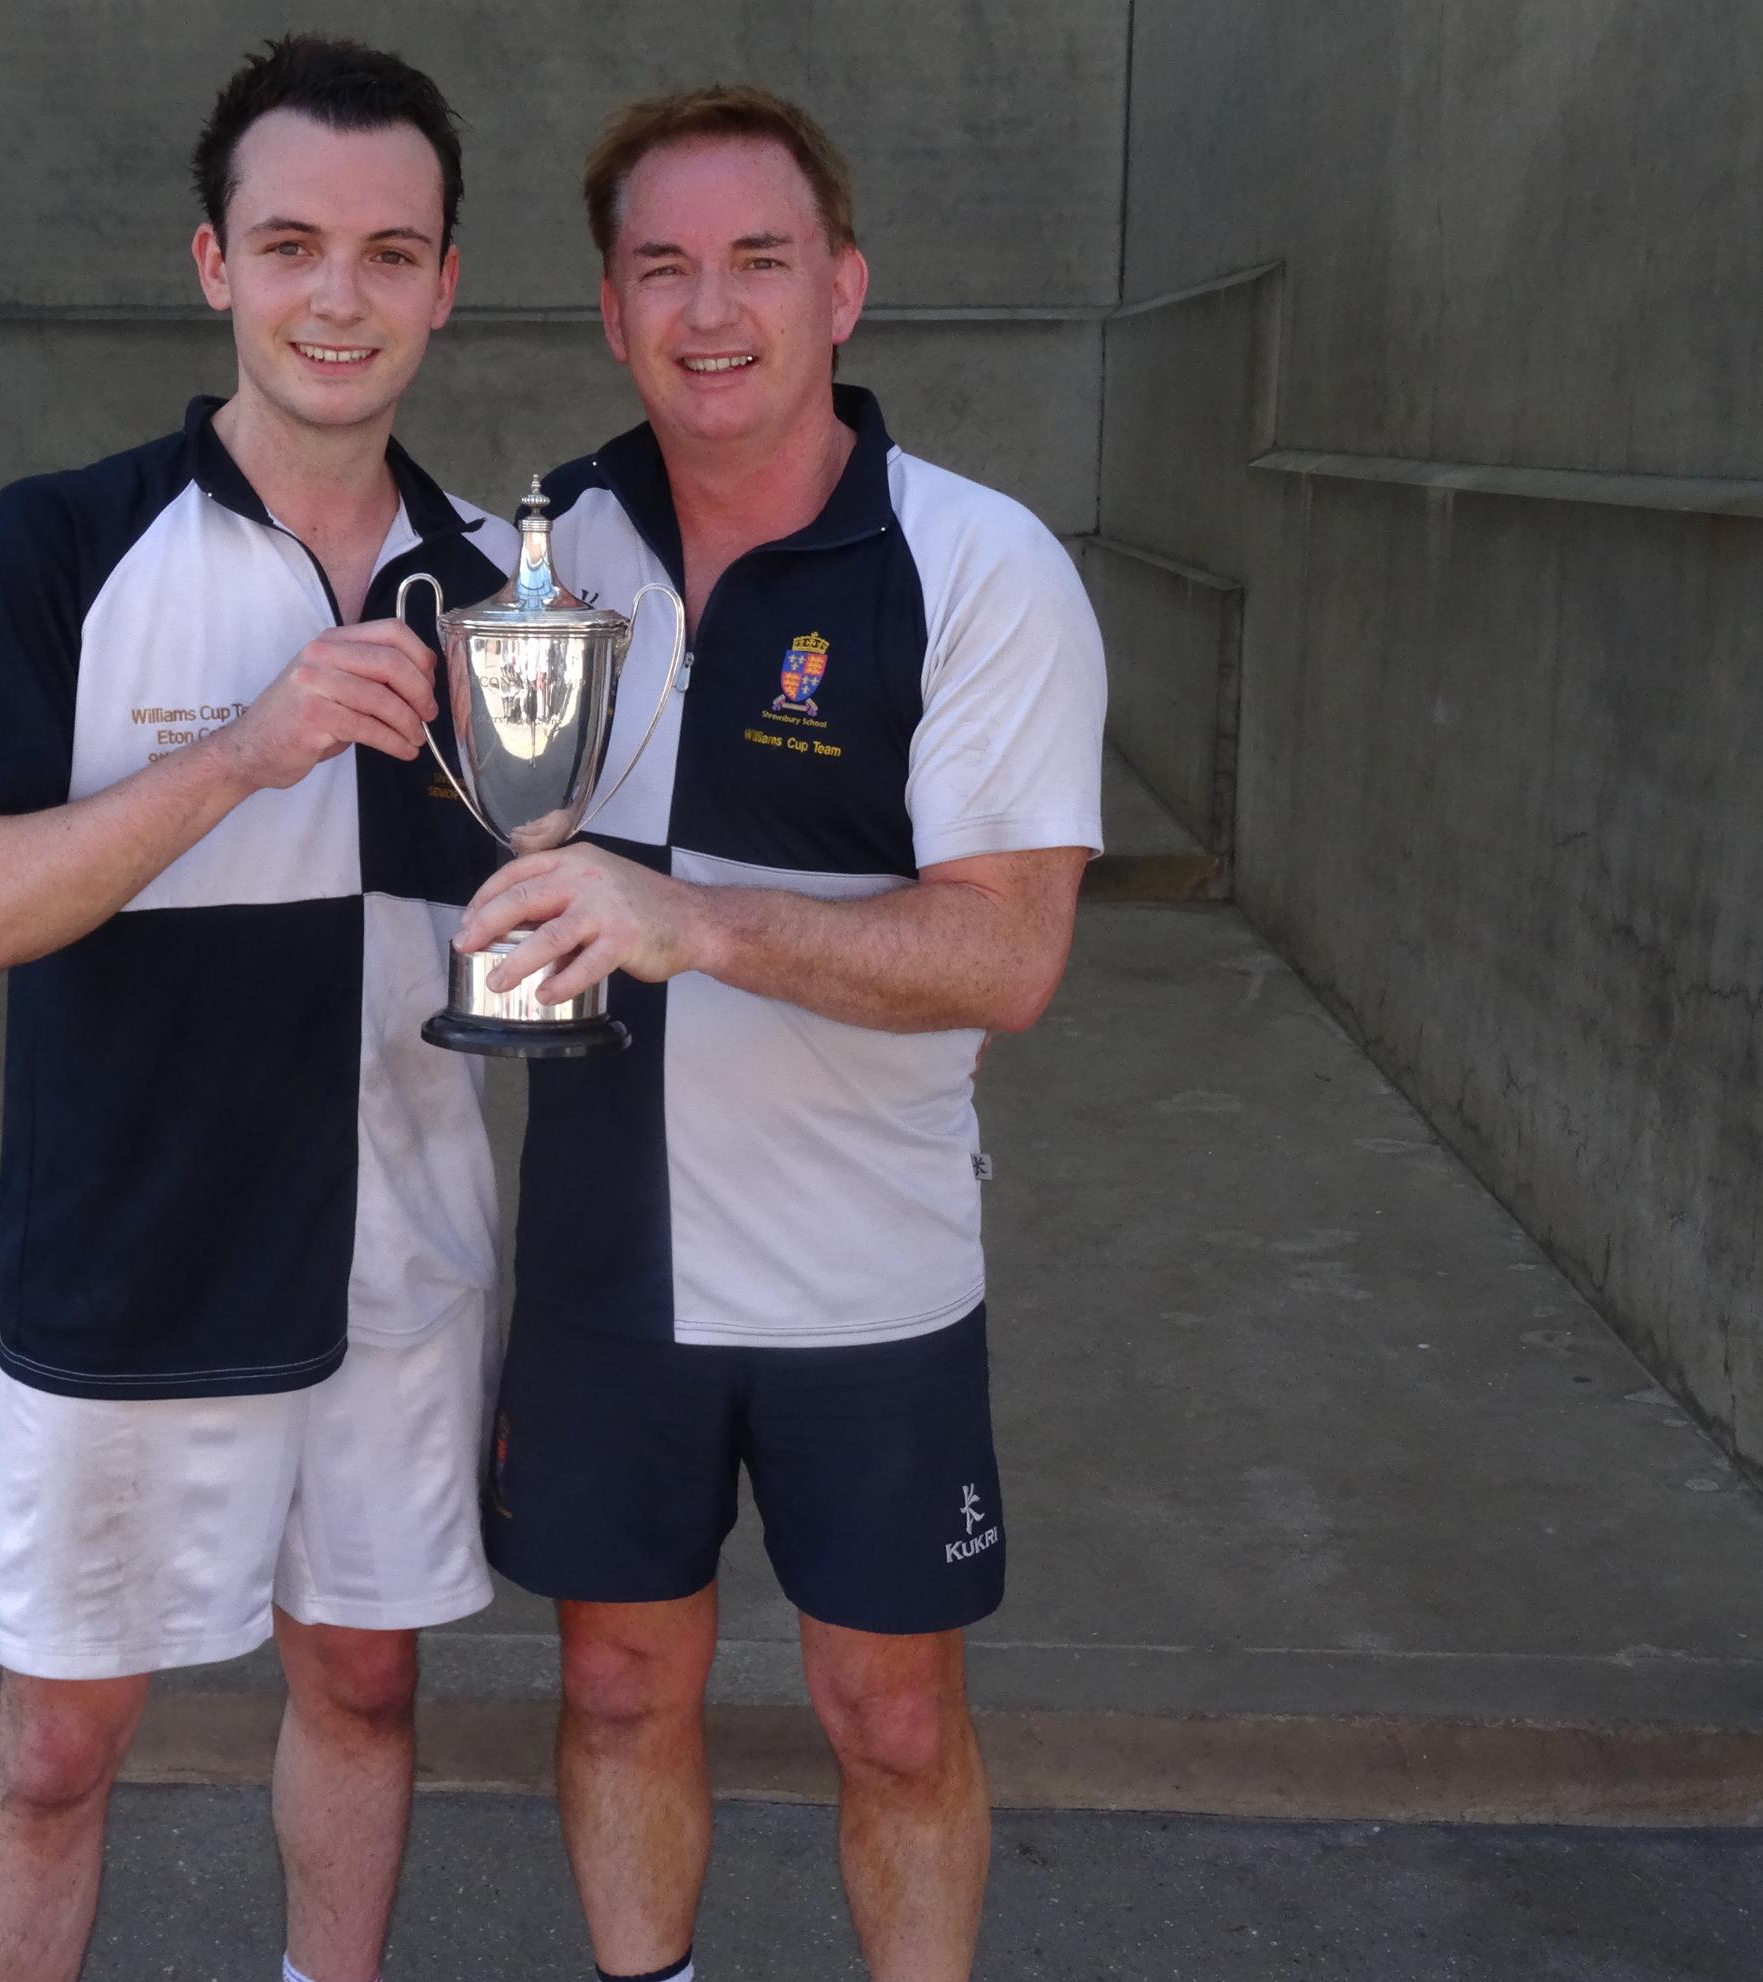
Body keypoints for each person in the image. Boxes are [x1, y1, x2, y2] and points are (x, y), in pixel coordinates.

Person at [0, 38, 515, 1982]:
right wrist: (244, 751)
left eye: (389, 253)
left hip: (399, 1273)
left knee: (368, 1693)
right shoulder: (57, 542)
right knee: (59, 1744)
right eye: (290, 241)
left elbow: (532, 940)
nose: (339, 294)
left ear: (444, 283)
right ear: (211, 262)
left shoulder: (500, 593)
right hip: (128, 1263)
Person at [459, 86, 1107, 1982]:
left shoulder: (978, 567)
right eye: (664, 265)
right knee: (614, 1694)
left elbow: (1007, 957)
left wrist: (689, 923)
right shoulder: (545, 560)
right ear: (608, 308)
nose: (710, 307)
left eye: (759, 259)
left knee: (890, 1716)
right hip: (608, 1267)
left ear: (844, 288)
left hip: (868, 1276)